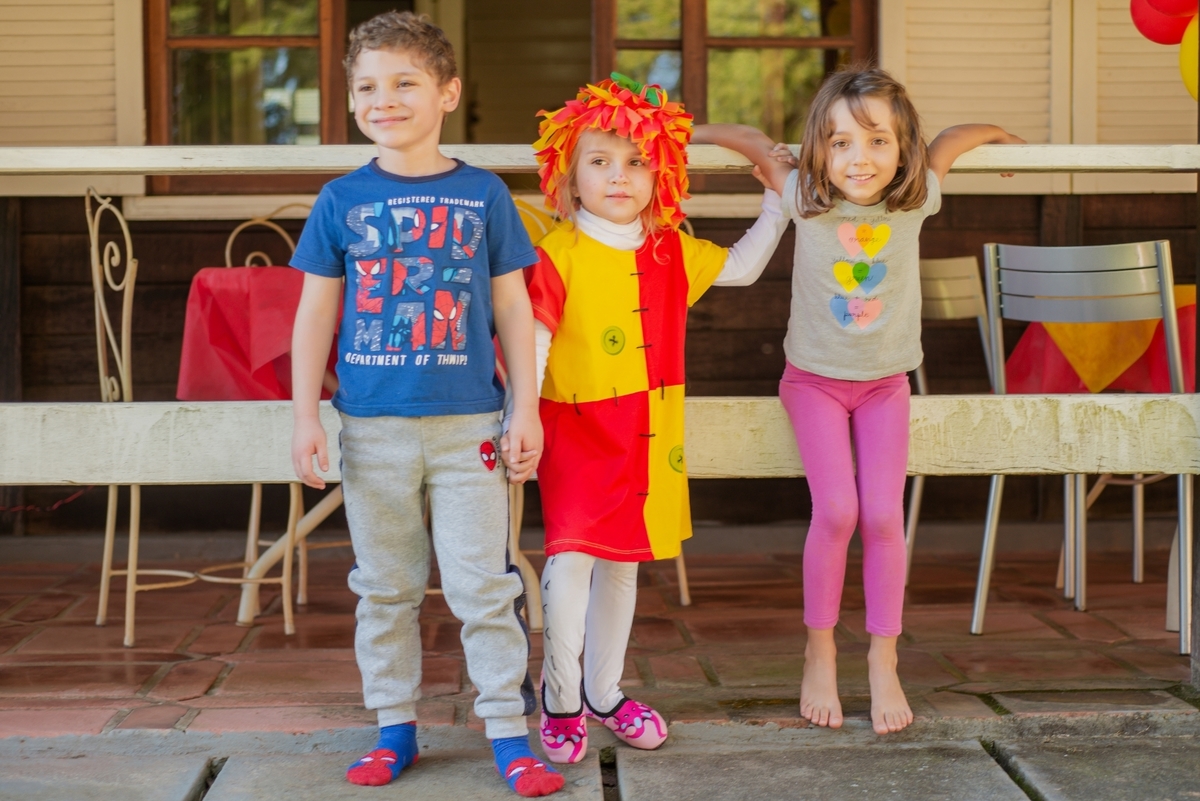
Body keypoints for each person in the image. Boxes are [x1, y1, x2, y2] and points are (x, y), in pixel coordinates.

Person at [699, 66, 1024, 735]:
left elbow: (953, 141)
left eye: (878, 141)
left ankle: (884, 657)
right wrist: (687, 133)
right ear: (818, 147)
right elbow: (749, 139)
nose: (860, 158)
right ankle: (819, 651)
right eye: (842, 142)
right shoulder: (801, 194)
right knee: (839, 509)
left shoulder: (916, 198)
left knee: (882, 516)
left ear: (902, 149)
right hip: (813, 382)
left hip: (885, 386)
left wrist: (998, 135)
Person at [288, 11, 562, 797]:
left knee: (485, 584)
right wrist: (307, 413)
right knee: (386, 585)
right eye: (368, 86)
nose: (386, 99)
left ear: (448, 92)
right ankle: (393, 726)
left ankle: (509, 732)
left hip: (470, 424)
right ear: (350, 101)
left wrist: (526, 407)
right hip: (370, 430)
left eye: (405, 82)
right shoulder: (341, 200)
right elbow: (314, 313)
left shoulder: (483, 195)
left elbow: (515, 309)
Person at [526, 74, 790, 763]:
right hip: (577, 433)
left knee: (625, 567)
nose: (620, 176)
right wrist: (520, 413)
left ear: (662, 172)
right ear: (568, 173)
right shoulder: (557, 252)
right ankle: (559, 696)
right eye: (600, 161)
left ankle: (604, 691)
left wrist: (779, 198)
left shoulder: (670, 249)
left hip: (650, 435)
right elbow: (535, 338)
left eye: (638, 161)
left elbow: (742, 267)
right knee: (571, 563)